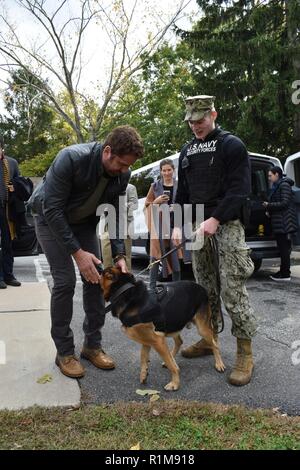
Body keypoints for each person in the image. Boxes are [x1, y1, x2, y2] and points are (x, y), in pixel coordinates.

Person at [29, 126, 144, 378]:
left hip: (81, 225)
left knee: (95, 279)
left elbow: (114, 214)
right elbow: (52, 209)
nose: (125, 171)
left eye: (128, 167)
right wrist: (78, 254)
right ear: (107, 151)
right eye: (122, 165)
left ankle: (92, 346)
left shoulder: (122, 174)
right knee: (65, 281)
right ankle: (64, 353)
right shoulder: (71, 158)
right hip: (50, 219)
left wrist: (119, 255)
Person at [172, 95, 257, 386]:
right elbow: (181, 196)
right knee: (204, 288)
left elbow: (239, 190)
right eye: (192, 121)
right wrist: (179, 225)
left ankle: (244, 353)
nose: (196, 126)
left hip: (228, 223)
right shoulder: (186, 151)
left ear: (213, 114)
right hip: (198, 227)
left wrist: (216, 218)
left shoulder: (231, 145)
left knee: (233, 288)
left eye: (201, 120)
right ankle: (210, 340)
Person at [144, 158, 190, 294]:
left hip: (175, 225)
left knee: (175, 255)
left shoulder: (180, 185)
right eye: (164, 170)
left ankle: (176, 288)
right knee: (155, 255)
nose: (166, 173)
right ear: (161, 171)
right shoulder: (155, 186)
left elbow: (186, 204)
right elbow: (146, 205)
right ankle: (151, 288)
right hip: (158, 225)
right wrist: (156, 202)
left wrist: (175, 209)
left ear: (173, 170)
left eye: (169, 170)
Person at [263, 166, 299, 281]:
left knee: (284, 249)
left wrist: (269, 205)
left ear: (277, 174)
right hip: (281, 222)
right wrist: (270, 211)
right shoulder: (278, 186)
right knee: (283, 249)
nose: (269, 178)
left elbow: (284, 203)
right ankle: (283, 272)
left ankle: (285, 274)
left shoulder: (284, 185)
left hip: (284, 223)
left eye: (270, 175)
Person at [100, 182, 138, 271]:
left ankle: (127, 281)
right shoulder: (104, 187)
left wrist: (119, 206)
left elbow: (134, 205)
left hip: (124, 227)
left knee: (125, 258)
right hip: (106, 227)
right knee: (107, 257)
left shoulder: (130, 187)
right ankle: (109, 281)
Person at [0, 136, 22, 289]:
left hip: (7, 209)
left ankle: (8, 275)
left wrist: (14, 187)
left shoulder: (11, 163)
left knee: (7, 243)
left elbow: (19, 183)